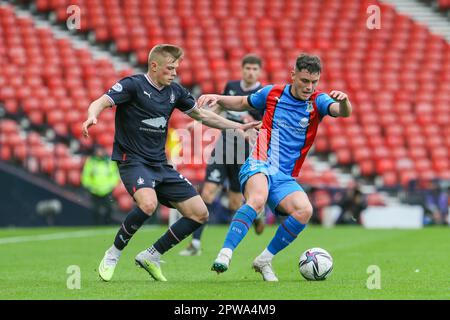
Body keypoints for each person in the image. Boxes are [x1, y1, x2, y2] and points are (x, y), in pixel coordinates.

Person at [82, 44, 259, 282]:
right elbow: (101, 101)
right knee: (147, 204)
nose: (175, 72)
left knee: (199, 213)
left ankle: (152, 255)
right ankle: (113, 253)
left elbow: (203, 115)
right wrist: (93, 114)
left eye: (177, 68)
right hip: (133, 161)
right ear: (154, 66)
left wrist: (238, 127)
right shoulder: (133, 85)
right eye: (170, 68)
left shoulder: (175, 91)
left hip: (160, 165)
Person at [197, 53, 352, 281]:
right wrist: (218, 98)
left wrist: (344, 101)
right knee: (257, 199)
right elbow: (242, 102)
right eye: (304, 81)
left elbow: (342, 112)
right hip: (259, 161)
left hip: (284, 175)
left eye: (314, 82)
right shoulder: (273, 93)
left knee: (304, 210)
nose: (309, 87)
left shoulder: (318, 101)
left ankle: (264, 259)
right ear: (293, 76)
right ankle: (225, 252)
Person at [179, 54, 265, 256]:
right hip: (223, 147)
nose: (250, 72)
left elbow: (264, 125)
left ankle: (256, 217)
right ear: (242, 69)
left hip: (244, 152)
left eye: (254, 69)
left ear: (259, 72)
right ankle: (196, 245)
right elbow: (220, 107)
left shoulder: (263, 94)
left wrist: (251, 125)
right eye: (248, 68)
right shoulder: (232, 86)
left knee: (236, 203)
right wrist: (198, 121)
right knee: (207, 193)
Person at [81, 146, 120, 225]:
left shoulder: (109, 162)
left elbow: (115, 175)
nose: (99, 153)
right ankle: (96, 225)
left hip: (107, 190)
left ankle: (107, 224)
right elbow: (86, 175)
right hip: (94, 190)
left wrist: (111, 185)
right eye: (98, 151)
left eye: (101, 151)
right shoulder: (91, 162)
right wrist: (89, 185)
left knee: (109, 209)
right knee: (95, 210)